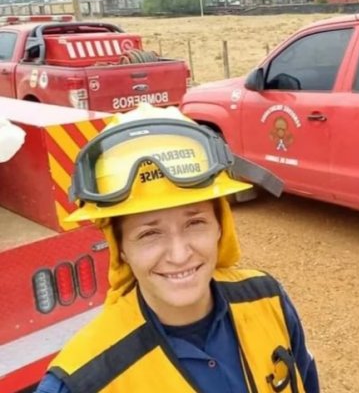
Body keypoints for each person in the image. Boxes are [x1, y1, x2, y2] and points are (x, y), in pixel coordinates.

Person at [35, 104, 319, 393]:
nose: (179, 254)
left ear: (221, 226)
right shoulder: (80, 382)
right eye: (149, 234)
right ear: (120, 248)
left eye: (195, 223)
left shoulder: (267, 299)